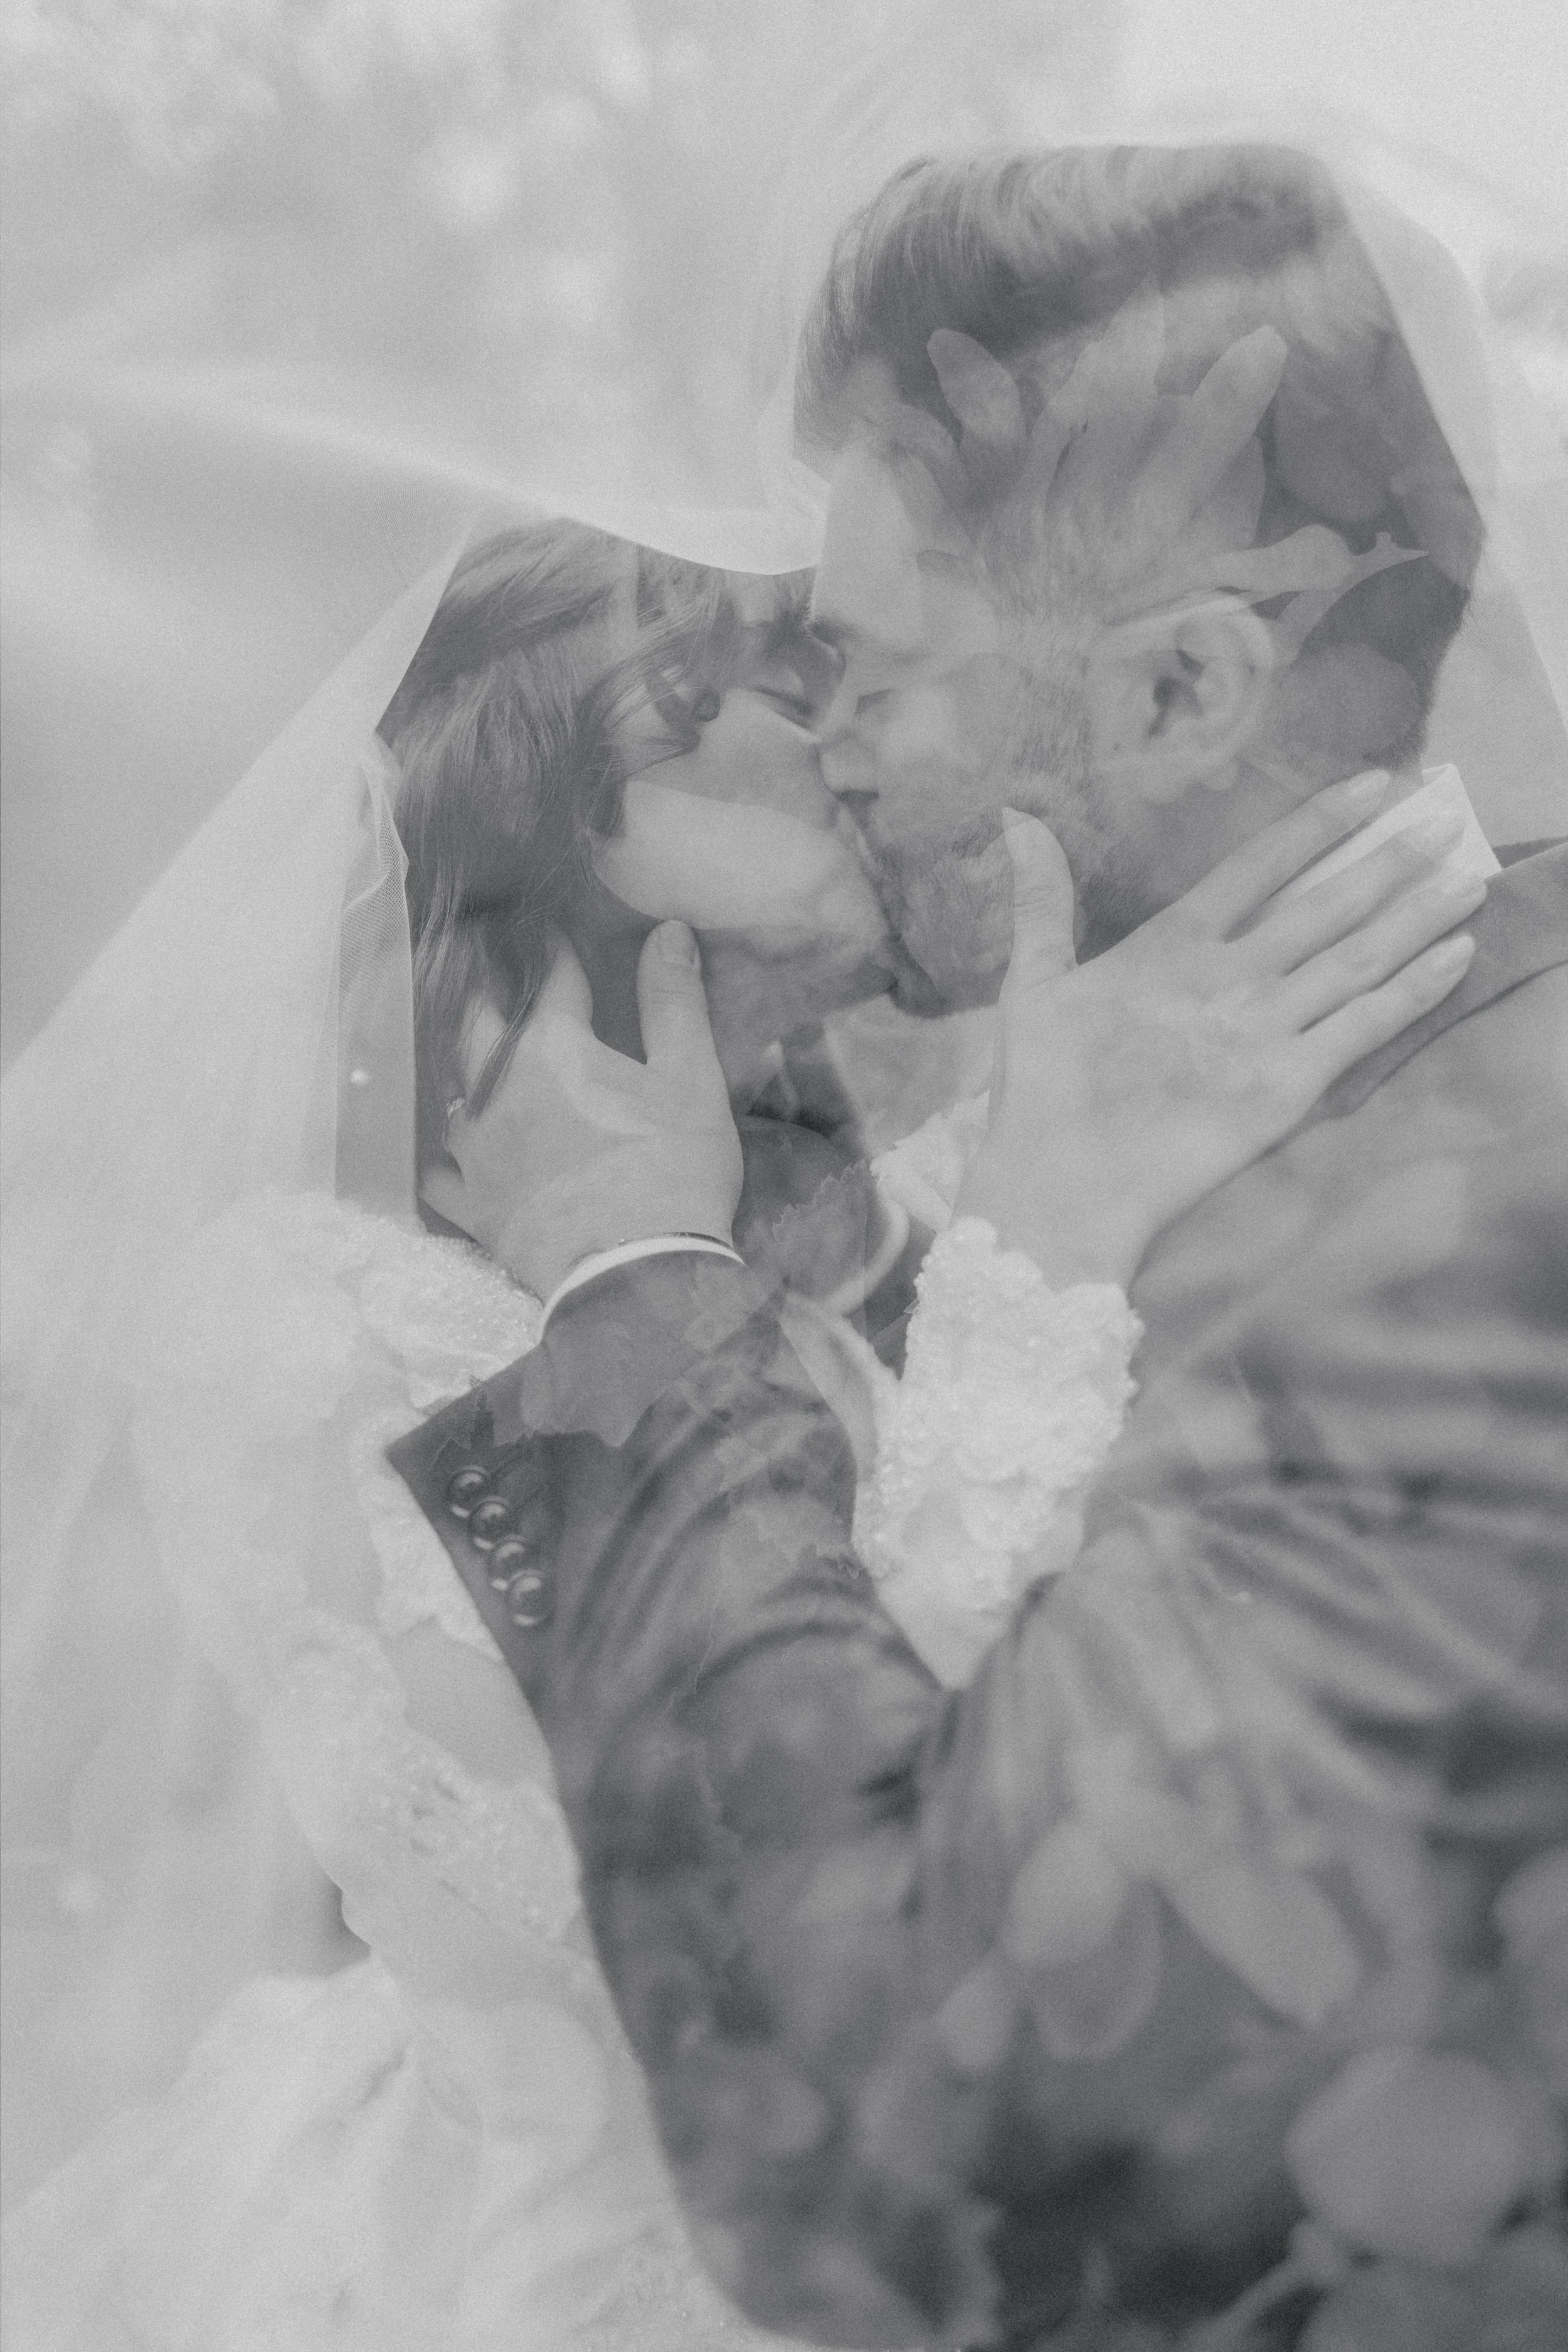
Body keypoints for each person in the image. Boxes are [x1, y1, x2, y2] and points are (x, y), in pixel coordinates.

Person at [0, 459, 1478, 2351]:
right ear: (573, 787)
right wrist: (1055, 1238)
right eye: (787, 689)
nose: (867, 746)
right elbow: (726, 1930)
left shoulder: (843, 1212)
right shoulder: (306, 1327)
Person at [384, 146, 1568, 2350]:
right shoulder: (1370, 1094)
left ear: (1178, 693)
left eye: (869, 675)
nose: (841, 763)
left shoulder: (1466, 1252)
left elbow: (893, 2172)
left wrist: (630, 1286)